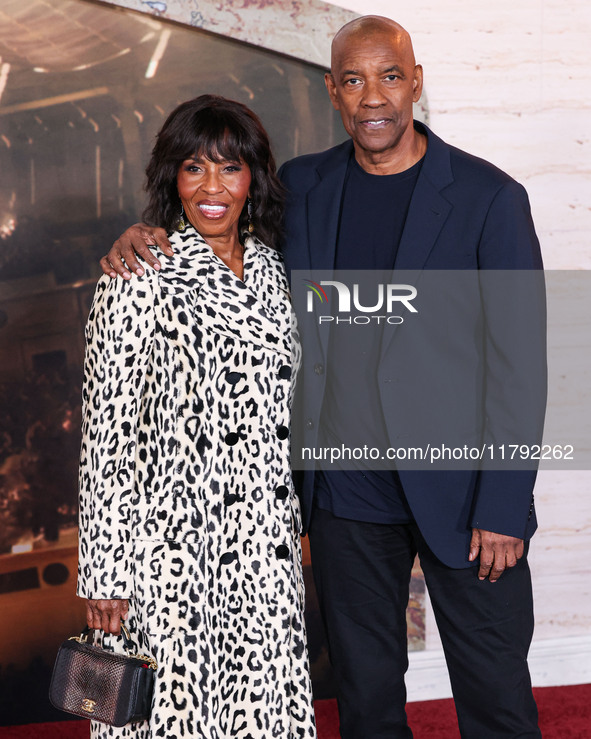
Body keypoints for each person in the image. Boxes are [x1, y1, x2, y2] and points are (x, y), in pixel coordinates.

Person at [102, 17, 546, 739]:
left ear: (415, 84)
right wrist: (143, 232)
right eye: (353, 80)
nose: (373, 97)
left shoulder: (487, 198)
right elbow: (218, 218)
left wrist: (502, 498)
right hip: (345, 497)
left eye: (389, 77)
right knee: (366, 699)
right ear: (334, 92)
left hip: (464, 495)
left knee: (495, 696)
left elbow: (519, 360)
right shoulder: (306, 186)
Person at [77, 94, 317, 739]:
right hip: (170, 556)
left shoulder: (273, 271)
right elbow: (107, 435)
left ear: (253, 178)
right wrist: (104, 573)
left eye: (229, 168)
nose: (212, 187)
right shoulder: (138, 272)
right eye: (193, 167)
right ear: (172, 179)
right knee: (172, 719)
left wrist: (291, 524)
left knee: (266, 715)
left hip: (264, 550)